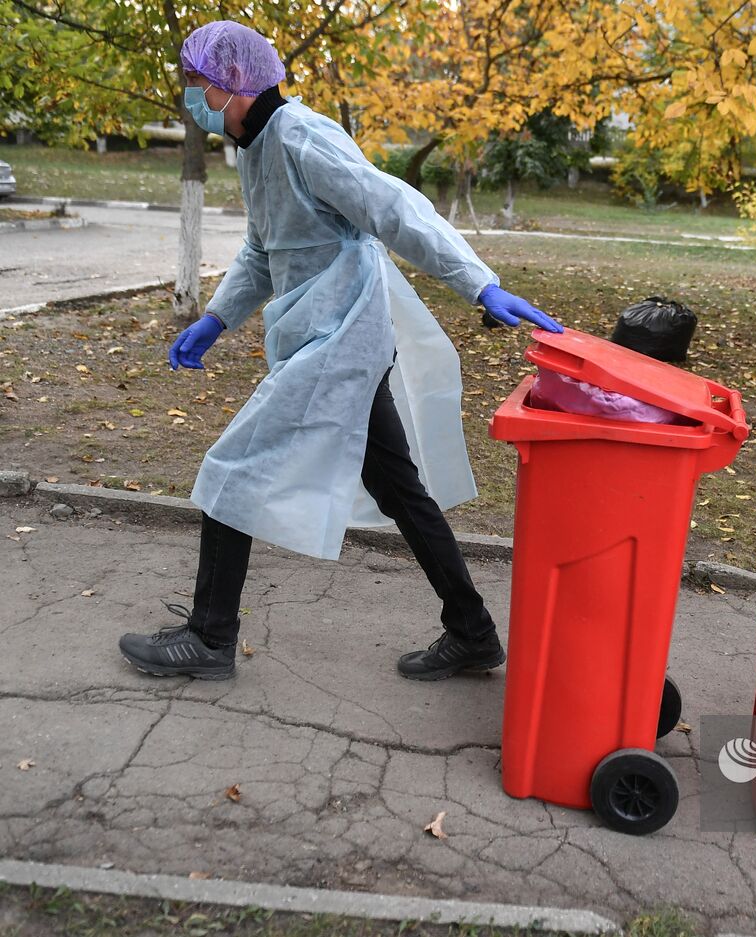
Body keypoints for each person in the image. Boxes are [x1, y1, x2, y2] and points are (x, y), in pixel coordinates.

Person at [118, 21, 561, 682]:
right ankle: (472, 632)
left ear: (233, 81)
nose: (191, 99)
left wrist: (478, 282)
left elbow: (393, 207)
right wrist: (216, 317)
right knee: (398, 489)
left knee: (233, 468)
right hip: (329, 340)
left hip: (340, 344)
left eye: (195, 84)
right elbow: (266, 249)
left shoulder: (302, 136)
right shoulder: (258, 144)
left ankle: (210, 638)